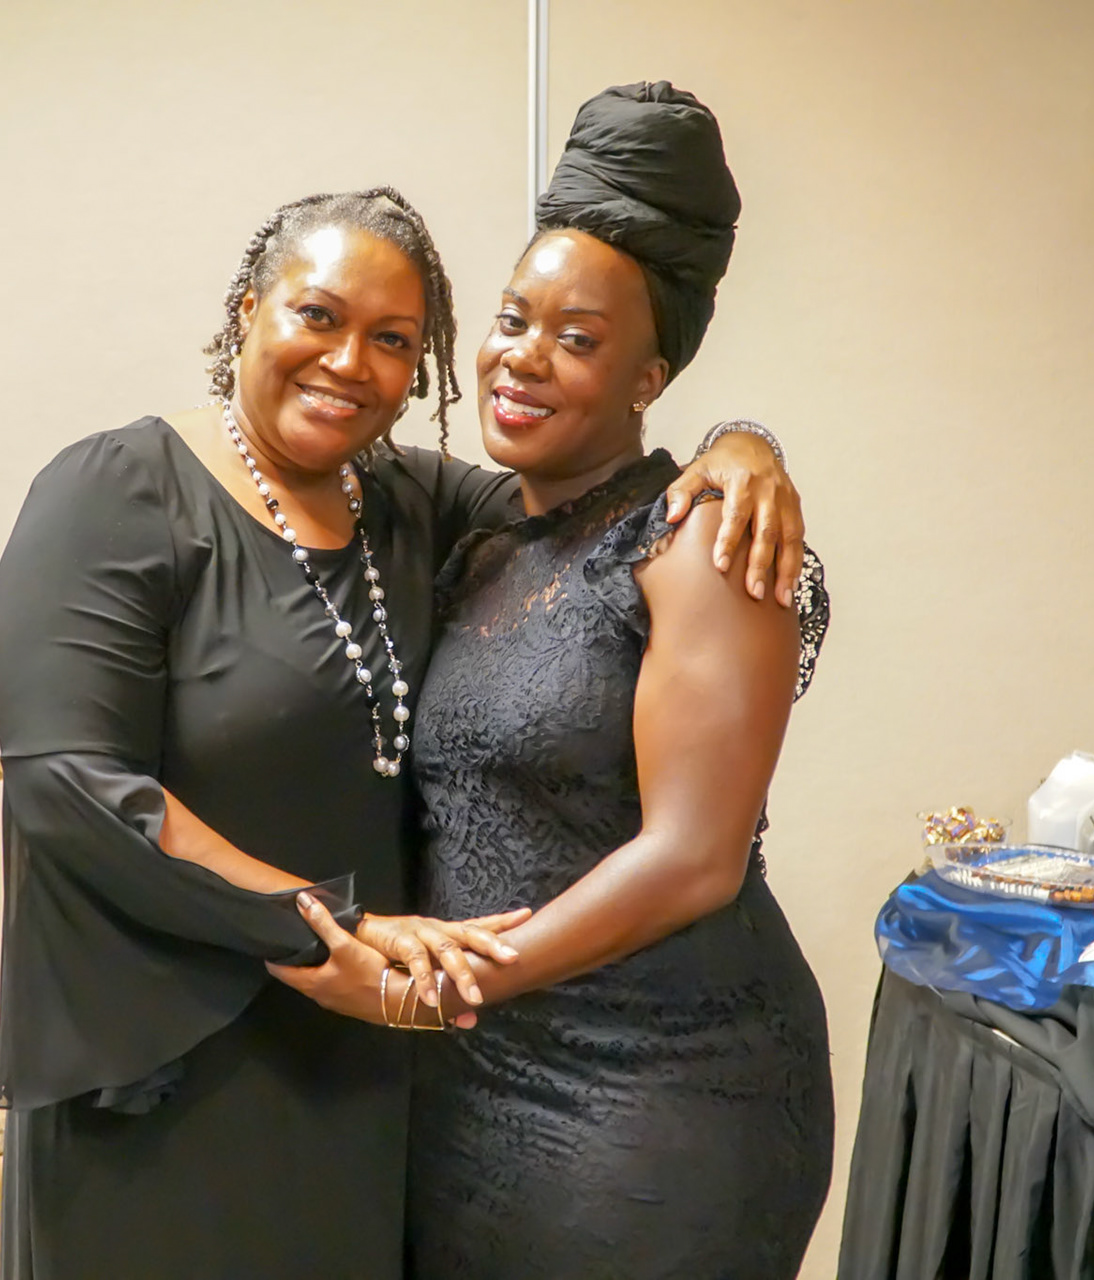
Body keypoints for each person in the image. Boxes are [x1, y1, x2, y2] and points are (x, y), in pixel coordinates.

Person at [0, 183, 803, 1278]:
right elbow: (71, 787)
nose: (348, 361)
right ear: (247, 310)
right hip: (170, 1047)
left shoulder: (415, 508)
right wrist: (328, 926)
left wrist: (743, 445)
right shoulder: (117, 494)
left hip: (358, 1063)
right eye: (317, 316)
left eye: (393, 341)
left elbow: (603, 500)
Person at [276, 85, 834, 1278]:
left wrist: (439, 987)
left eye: (577, 340)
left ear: (648, 377)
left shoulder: (699, 538)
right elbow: (301, 433)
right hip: (471, 1083)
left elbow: (694, 858)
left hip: (661, 1086)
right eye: (514, 318)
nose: (522, 357)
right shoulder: (478, 535)